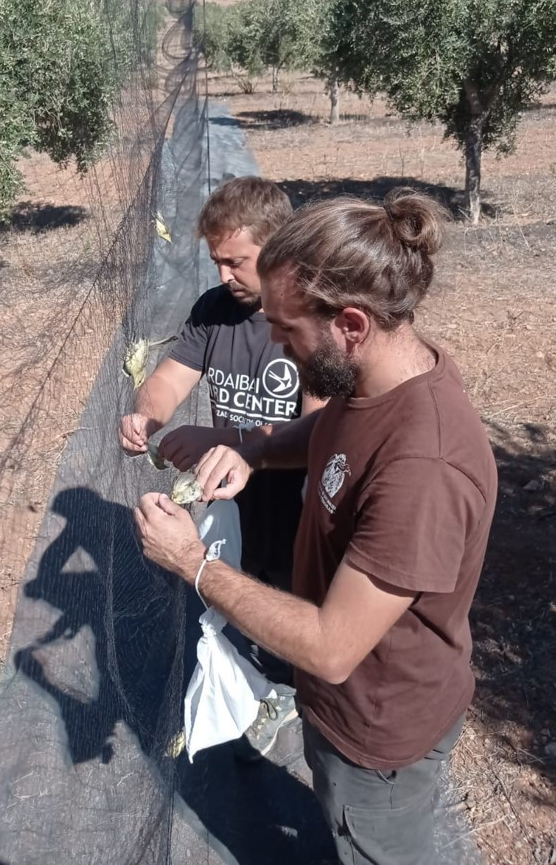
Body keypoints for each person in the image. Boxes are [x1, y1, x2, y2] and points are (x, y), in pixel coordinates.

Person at [134, 188, 497, 865]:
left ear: (351, 324)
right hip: (342, 715)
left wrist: (197, 566)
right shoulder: (378, 381)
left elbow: (333, 645)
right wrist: (255, 448)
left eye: (287, 328)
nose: (274, 341)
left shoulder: (425, 466)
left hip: (377, 737)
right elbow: (326, 427)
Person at [120, 176, 324, 757]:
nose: (223, 276)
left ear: (281, 248)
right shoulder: (214, 311)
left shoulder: (311, 319)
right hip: (229, 509)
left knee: (295, 612)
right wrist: (146, 416)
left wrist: (222, 437)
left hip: (295, 515)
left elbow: (317, 431)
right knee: (238, 600)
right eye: (216, 261)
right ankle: (259, 691)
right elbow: (167, 380)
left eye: (237, 262)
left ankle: (296, 701)